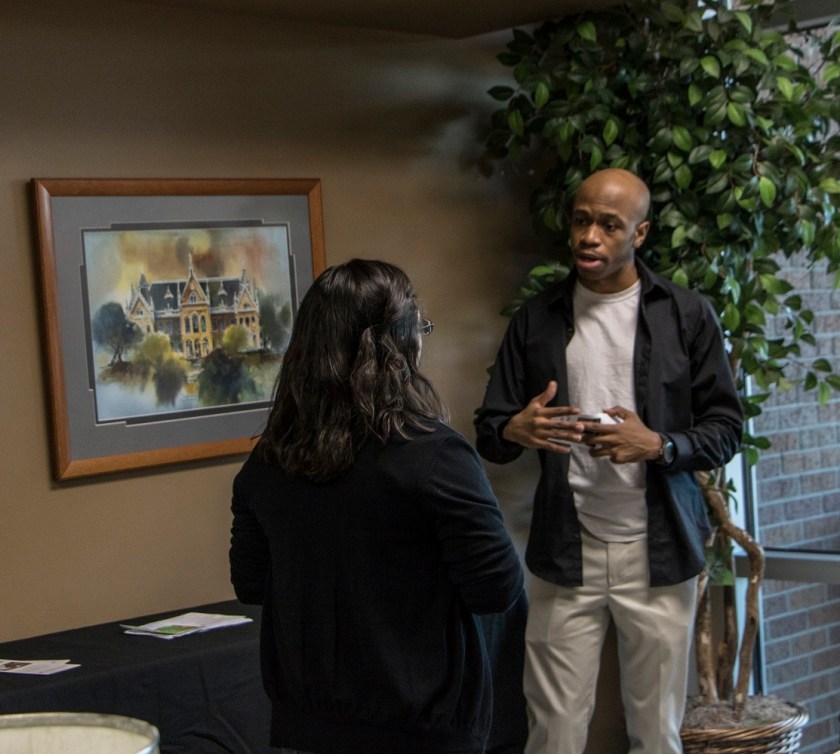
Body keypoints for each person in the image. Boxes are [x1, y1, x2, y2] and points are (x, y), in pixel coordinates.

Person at [474, 168, 743, 754]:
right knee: (552, 732)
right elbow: (490, 432)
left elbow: (726, 429)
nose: (589, 236)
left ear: (639, 234)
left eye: (608, 224)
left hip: (659, 550)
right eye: (580, 220)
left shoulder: (687, 315)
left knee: (655, 732)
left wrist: (661, 446)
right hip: (565, 552)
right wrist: (516, 427)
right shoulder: (537, 318)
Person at [230, 258, 525, 754]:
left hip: (307, 726)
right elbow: (498, 589)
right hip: (420, 727)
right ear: (402, 343)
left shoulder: (269, 459)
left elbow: (252, 584)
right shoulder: (436, 456)